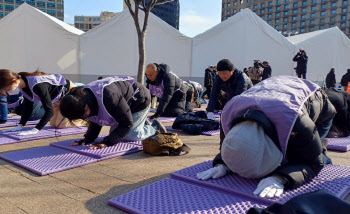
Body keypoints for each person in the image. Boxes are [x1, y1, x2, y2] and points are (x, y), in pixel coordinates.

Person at [197, 76, 335, 199]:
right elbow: (233, 145)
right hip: (272, 90)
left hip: (315, 100)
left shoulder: (298, 122)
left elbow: (314, 162)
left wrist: (282, 178)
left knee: (311, 154)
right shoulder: (228, 113)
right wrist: (224, 163)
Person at [60, 76, 166, 149]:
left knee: (129, 135)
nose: (86, 117)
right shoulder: (84, 99)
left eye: (84, 114)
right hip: (123, 105)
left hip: (139, 101)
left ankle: (155, 127)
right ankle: (141, 122)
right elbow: (96, 120)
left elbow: (126, 123)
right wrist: (88, 139)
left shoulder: (109, 97)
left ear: (86, 107)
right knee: (115, 134)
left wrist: (107, 142)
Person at [0, 69, 86, 136]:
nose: (5, 90)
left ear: (14, 81)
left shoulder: (37, 85)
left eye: (5, 88)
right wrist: (20, 125)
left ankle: (86, 121)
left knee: (61, 125)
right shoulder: (23, 87)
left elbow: (49, 110)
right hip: (56, 99)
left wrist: (36, 129)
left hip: (69, 94)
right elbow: (28, 108)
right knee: (54, 125)